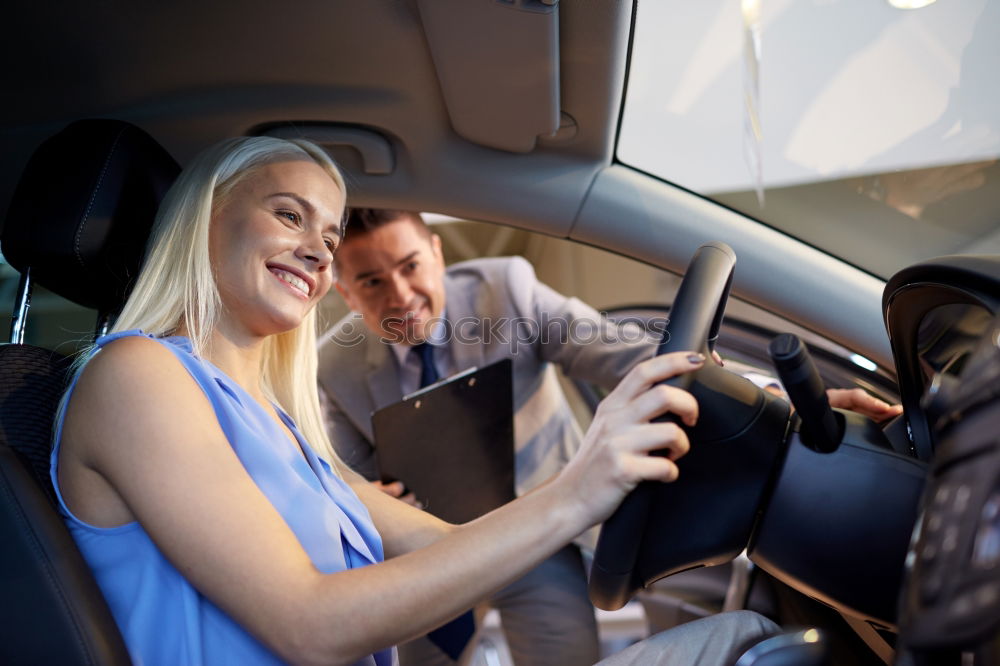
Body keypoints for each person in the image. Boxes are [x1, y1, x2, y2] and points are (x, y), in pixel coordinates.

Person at [50, 135, 781, 666]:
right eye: (288, 215)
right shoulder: (138, 376)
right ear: (205, 219)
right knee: (749, 648)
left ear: (435, 252)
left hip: (529, 551)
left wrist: (755, 398)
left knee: (743, 634)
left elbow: (440, 543)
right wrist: (578, 490)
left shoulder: (277, 421)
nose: (316, 248)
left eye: (327, 233)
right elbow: (309, 624)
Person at [318, 208, 903, 665]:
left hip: (539, 532)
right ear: (344, 291)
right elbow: (348, 484)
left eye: (411, 266)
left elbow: (629, 352)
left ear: (437, 253)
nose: (399, 294)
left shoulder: (507, 291)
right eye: (370, 281)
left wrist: (782, 398)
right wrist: (373, 501)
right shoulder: (333, 370)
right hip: (430, 552)